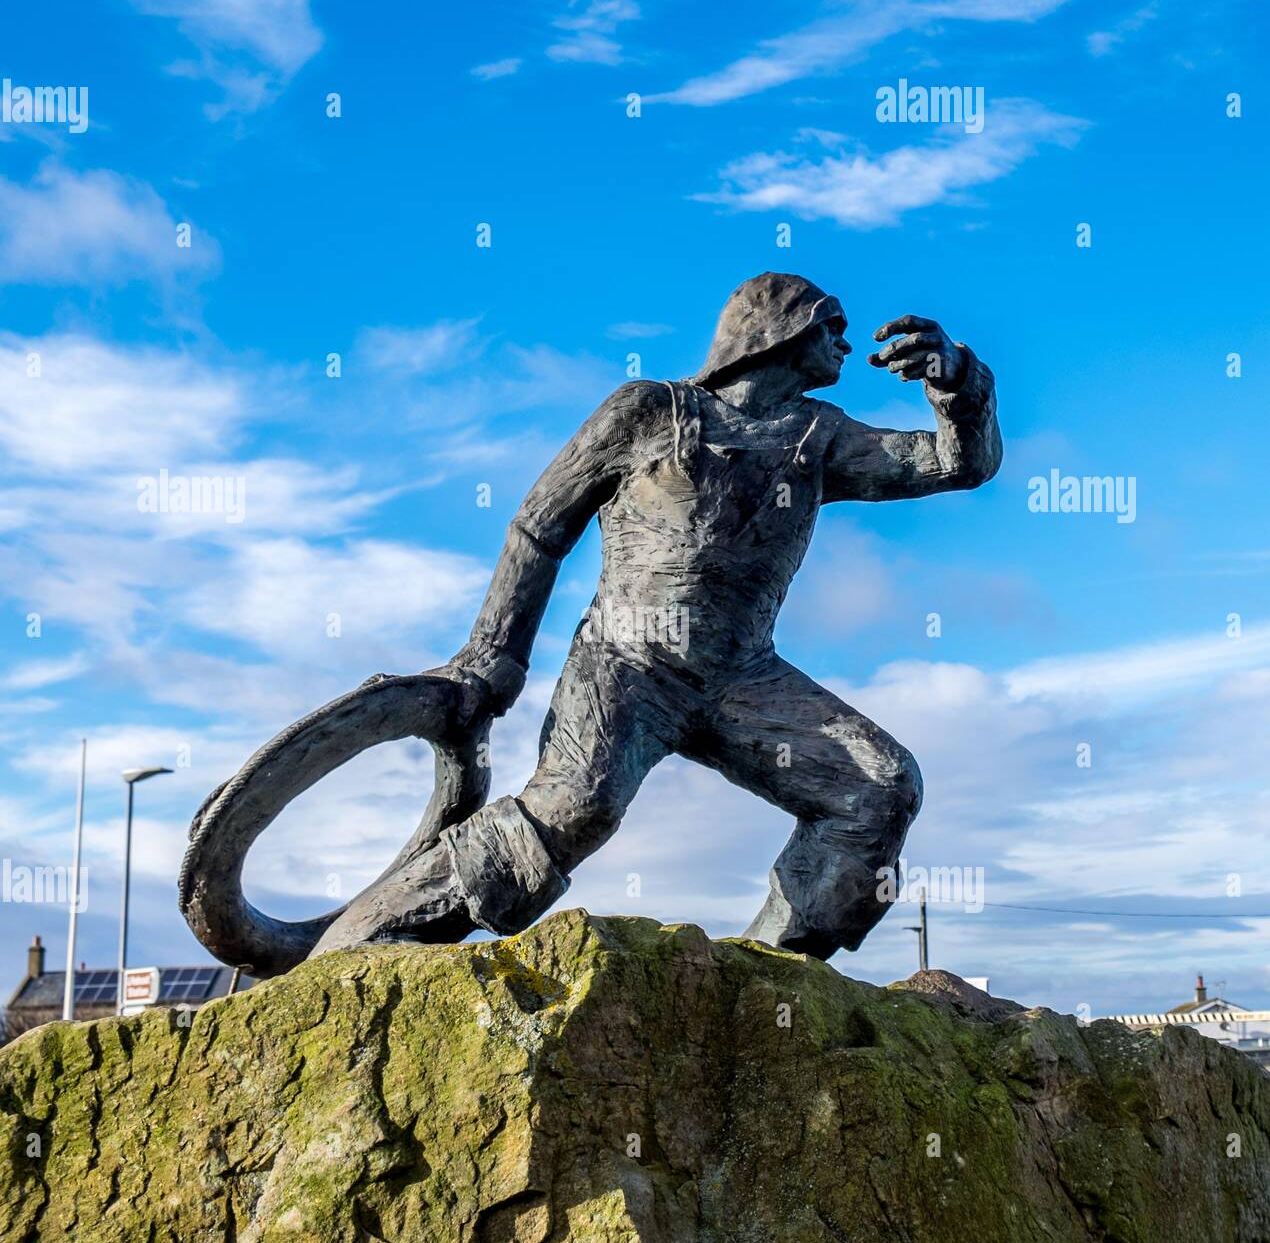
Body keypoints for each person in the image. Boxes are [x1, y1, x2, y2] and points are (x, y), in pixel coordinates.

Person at [313, 272, 1002, 960]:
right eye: (832, 325)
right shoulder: (648, 411)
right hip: (627, 662)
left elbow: (952, 464)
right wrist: (492, 657)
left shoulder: (819, 436)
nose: (848, 345)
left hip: (742, 680)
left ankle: (767, 980)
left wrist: (957, 383)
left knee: (877, 788)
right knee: (576, 808)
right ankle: (359, 941)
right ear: (777, 332)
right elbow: (539, 528)